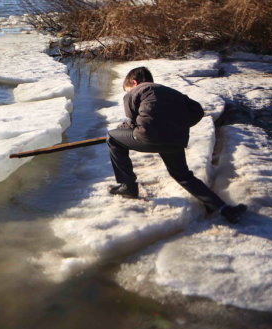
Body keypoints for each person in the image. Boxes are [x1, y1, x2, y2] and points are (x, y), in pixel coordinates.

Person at [106, 66, 247, 224]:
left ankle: (128, 186)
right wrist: (177, 127)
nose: (127, 93)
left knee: (112, 137)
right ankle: (225, 210)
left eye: (127, 90)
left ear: (134, 82)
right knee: (183, 176)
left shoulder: (136, 91)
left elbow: (132, 121)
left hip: (148, 136)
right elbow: (197, 111)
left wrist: (123, 130)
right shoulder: (172, 92)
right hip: (175, 140)